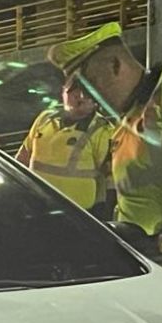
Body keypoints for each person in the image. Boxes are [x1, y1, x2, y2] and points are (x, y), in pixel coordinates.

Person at [46, 22, 162, 299]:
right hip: (140, 253)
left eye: (92, 83)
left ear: (115, 65)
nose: (89, 96)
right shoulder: (125, 121)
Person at [14, 78, 115, 220]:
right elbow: (21, 159)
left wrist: (106, 217)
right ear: (63, 92)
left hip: (80, 215)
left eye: (86, 93)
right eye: (74, 91)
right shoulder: (44, 119)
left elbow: (111, 180)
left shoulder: (103, 130)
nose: (80, 97)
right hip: (36, 209)